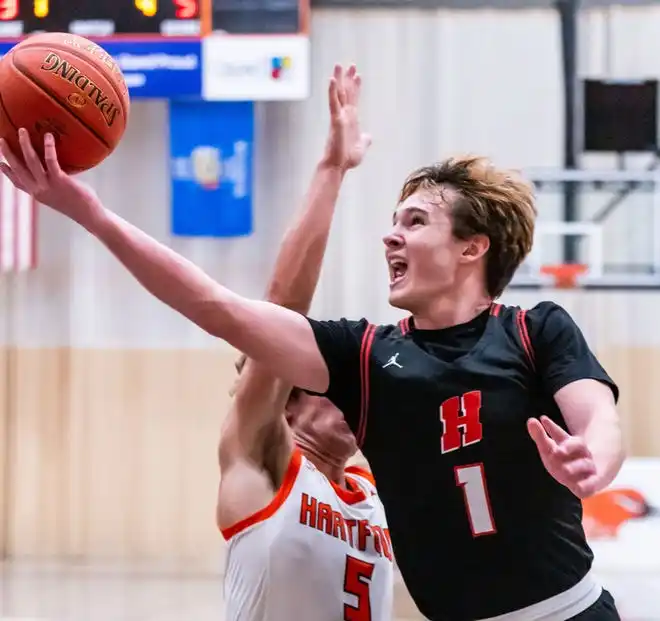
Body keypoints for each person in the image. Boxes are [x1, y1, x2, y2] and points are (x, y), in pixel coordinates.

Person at [0, 75, 624, 621]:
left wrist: (593, 460)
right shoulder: (347, 371)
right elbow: (224, 307)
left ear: (473, 247)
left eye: (414, 222)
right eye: (394, 219)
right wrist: (92, 215)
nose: (389, 236)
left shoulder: (533, 330)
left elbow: (598, 415)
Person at [217, 66, 393, 621]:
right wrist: (333, 168)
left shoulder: (370, 490)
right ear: (290, 396)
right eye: (333, 379)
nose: (353, 389)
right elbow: (278, 315)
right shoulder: (268, 459)